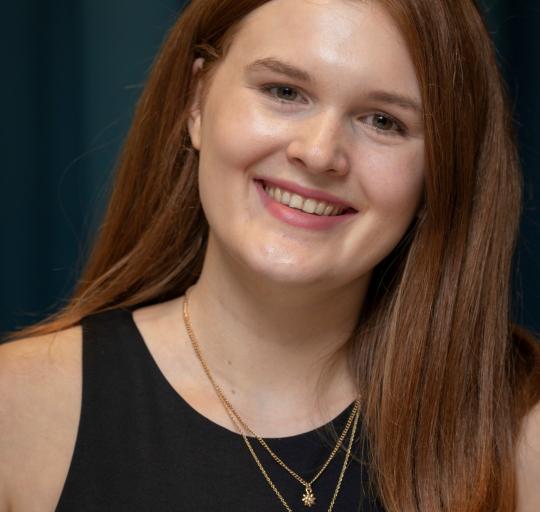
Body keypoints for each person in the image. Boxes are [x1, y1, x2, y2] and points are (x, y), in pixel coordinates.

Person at [1, 0, 539, 510]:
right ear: (196, 102)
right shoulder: (17, 408)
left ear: (439, 173)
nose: (320, 153)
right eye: (284, 91)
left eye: (383, 121)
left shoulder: (524, 433)